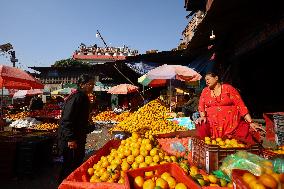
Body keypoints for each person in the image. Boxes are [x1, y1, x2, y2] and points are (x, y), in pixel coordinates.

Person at [195, 71, 265, 144]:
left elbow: (240, 105)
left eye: (208, 79)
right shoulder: (205, 91)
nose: (206, 81)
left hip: (232, 124)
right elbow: (201, 106)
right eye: (205, 80)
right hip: (212, 124)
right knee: (201, 125)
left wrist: (250, 122)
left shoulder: (228, 88)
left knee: (243, 138)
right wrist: (202, 116)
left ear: (216, 78)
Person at [57, 74, 95, 183]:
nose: (93, 86)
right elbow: (66, 119)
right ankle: (64, 185)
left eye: (93, 84)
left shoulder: (82, 97)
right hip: (71, 140)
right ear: (82, 85)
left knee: (75, 164)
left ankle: (70, 184)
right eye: (90, 84)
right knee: (69, 166)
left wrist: (88, 124)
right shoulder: (77, 97)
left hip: (77, 137)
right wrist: (70, 139)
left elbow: (78, 119)